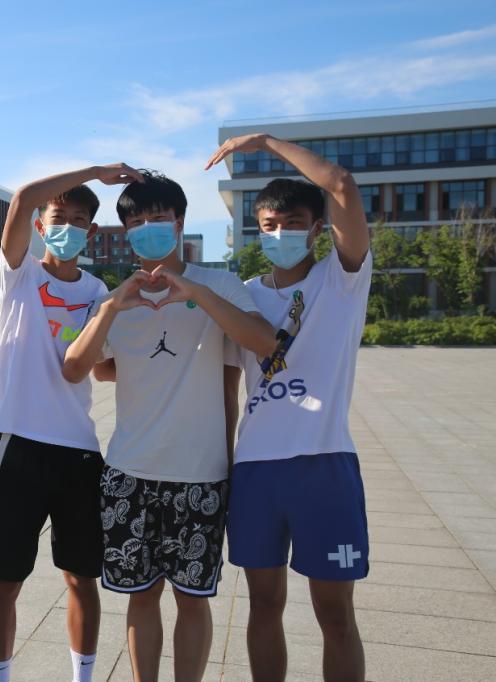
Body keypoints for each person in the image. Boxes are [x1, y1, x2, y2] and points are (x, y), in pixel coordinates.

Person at [62, 170, 277, 682]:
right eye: (135, 222)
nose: (147, 228)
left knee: (192, 599)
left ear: (179, 222)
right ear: (125, 234)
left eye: (157, 217)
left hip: (200, 474)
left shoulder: (219, 285)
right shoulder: (115, 299)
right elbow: (79, 368)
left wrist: (193, 292)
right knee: (140, 596)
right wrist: (112, 307)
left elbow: (265, 342)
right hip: (129, 472)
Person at [207, 133, 372, 682]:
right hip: (257, 470)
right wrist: (226, 467)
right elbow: (228, 389)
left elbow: (341, 183)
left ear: (317, 228)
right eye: (269, 225)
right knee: (262, 605)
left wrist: (262, 142)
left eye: (293, 223)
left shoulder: (342, 278)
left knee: (335, 614)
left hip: (324, 464)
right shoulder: (241, 294)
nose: (280, 234)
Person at [0, 163, 143, 682]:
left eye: (79, 220)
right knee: (5, 579)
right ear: (40, 225)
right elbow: (23, 197)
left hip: (78, 451)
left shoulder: (98, 292)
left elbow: (100, 368)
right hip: (20, 445)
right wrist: (98, 172)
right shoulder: (20, 274)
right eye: (59, 218)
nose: (68, 228)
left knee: (81, 578)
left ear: (91, 231)